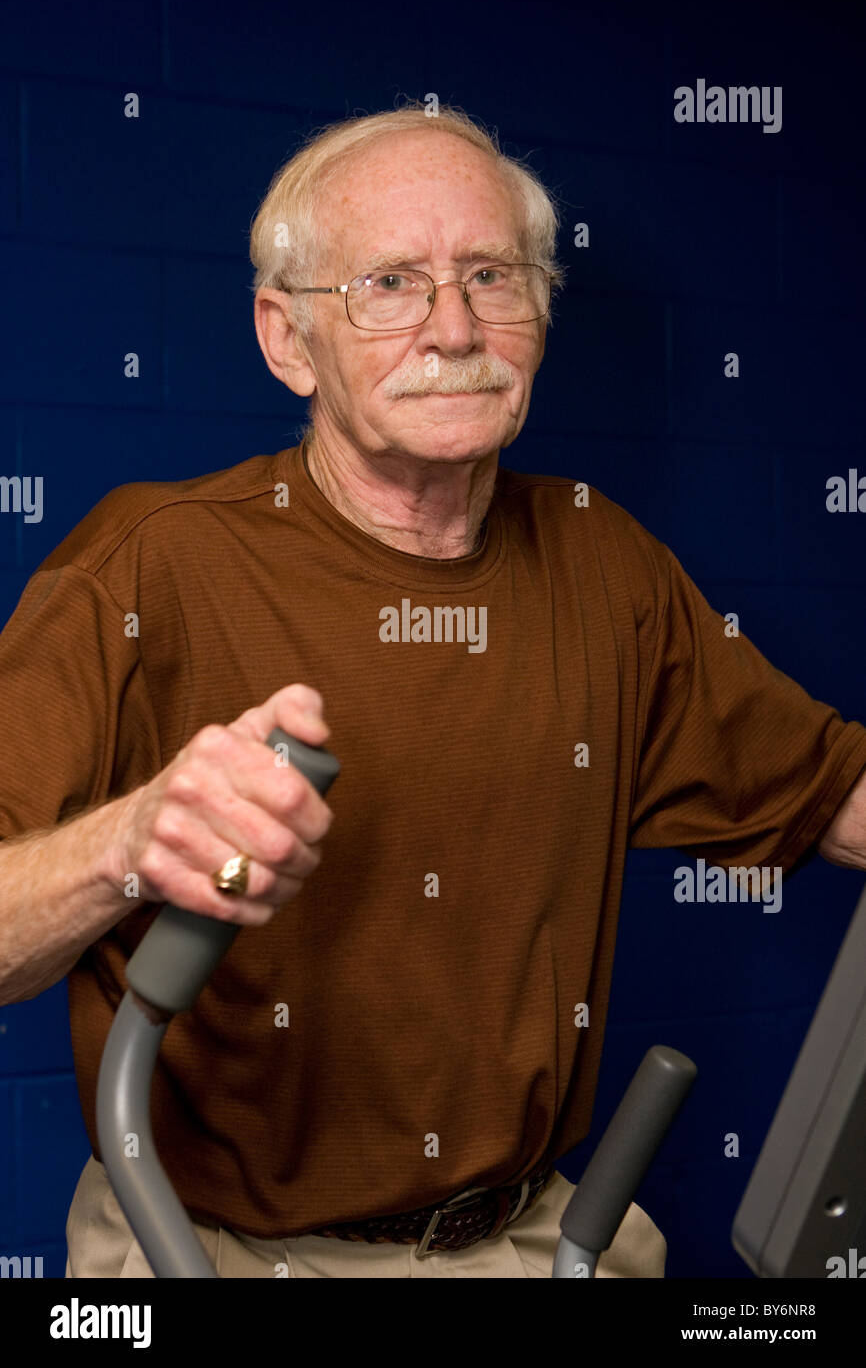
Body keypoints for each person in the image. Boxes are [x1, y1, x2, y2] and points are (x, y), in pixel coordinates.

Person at [1, 102, 865, 1280]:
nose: (453, 327)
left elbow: (830, 794)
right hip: (209, 1247)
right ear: (285, 337)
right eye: (391, 283)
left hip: (532, 1241)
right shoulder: (148, 562)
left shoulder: (599, 559)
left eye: (489, 278)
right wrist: (130, 843)